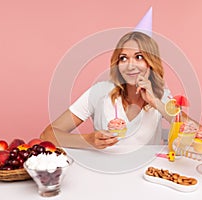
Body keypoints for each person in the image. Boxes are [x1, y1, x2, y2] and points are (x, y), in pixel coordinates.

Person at [40, 31, 189, 149]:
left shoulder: (161, 96)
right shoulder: (99, 92)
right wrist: (89, 140)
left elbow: (196, 133)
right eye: (123, 58)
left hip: (147, 178)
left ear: (150, 63)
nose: (130, 66)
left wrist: (157, 103)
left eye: (139, 57)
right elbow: (47, 135)